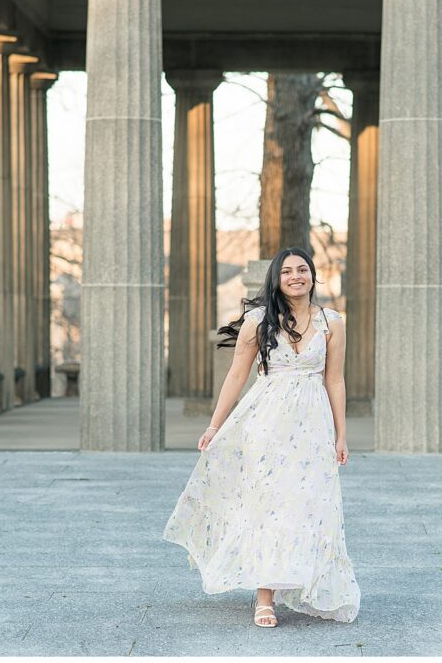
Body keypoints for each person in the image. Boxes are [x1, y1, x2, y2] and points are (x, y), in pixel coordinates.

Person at [162, 247, 360, 627]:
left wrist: (341, 435)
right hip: (265, 421)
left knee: (308, 504)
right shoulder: (258, 321)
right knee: (267, 502)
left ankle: (307, 581)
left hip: (312, 425)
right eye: (287, 271)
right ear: (277, 279)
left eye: (303, 269)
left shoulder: (333, 322)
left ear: (313, 276)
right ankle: (264, 596)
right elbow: (236, 375)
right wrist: (214, 426)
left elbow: (334, 380)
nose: (296, 276)